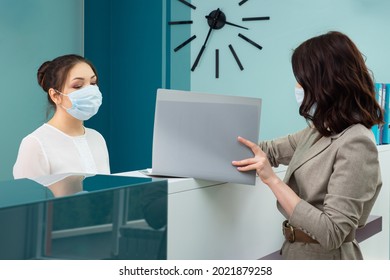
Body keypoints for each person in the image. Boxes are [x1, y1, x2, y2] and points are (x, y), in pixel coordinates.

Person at [232, 31, 383, 260]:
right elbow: (267, 150)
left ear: (326, 83)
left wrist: (272, 180)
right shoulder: (318, 132)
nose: (297, 86)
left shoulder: (357, 143)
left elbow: (333, 232)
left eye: (302, 80)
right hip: (295, 252)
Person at [13, 54, 110, 179]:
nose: (90, 91)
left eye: (93, 83)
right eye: (78, 86)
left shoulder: (97, 138)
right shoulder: (35, 144)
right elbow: (26, 195)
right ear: (55, 96)